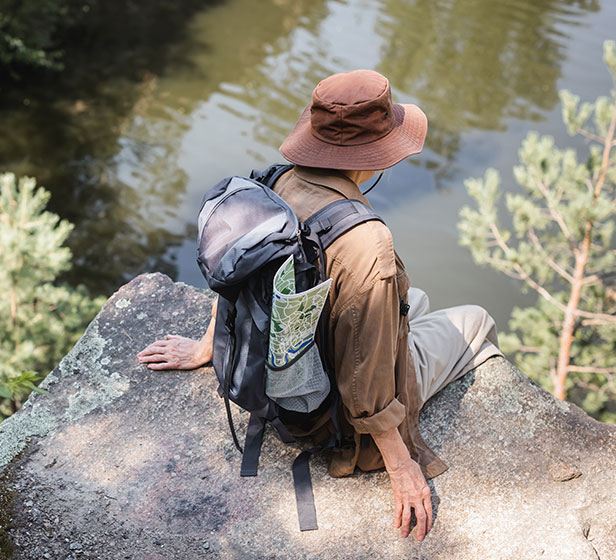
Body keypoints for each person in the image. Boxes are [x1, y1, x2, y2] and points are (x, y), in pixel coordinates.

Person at [137, 69, 501, 542]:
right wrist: (401, 463)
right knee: (476, 318)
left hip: (282, 380)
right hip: (335, 417)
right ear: (375, 156)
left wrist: (209, 347)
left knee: (417, 301)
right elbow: (365, 375)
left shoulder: (274, 183)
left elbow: (240, 276)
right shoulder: (369, 242)